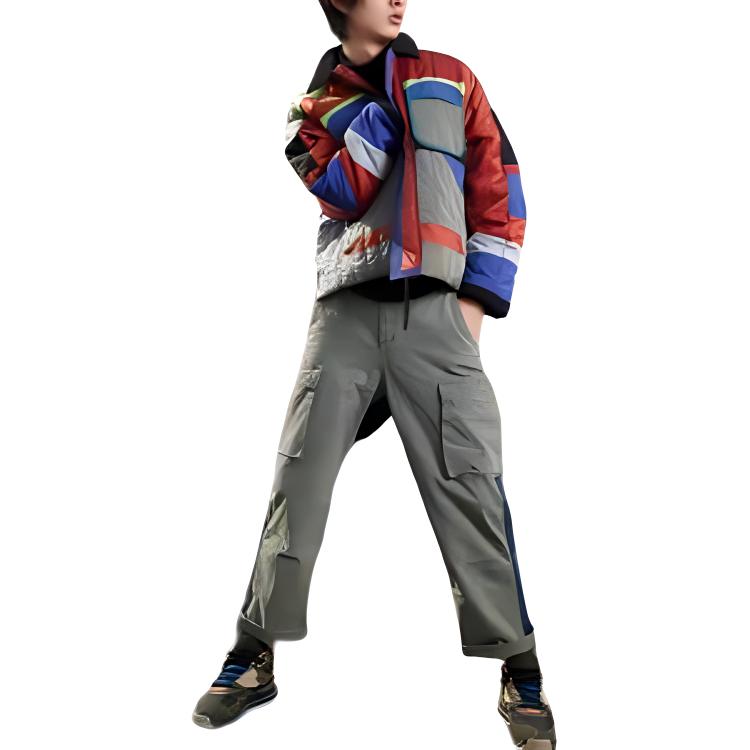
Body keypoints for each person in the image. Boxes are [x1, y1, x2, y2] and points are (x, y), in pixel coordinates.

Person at [192, 2, 556, 746]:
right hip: (345, 318)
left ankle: (519, 667)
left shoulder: (451, 79)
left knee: (471, 483)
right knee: (298, 479)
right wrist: (380, 101)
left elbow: (501, 188)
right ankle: (253, 656)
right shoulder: (311, 110)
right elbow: (343, 191)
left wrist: (476, 303)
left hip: (436, 317)